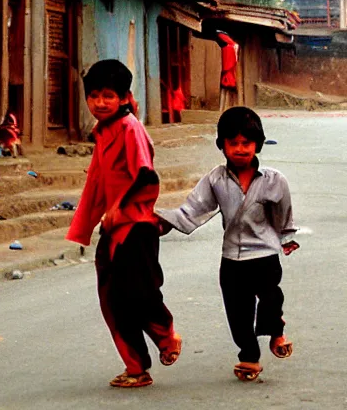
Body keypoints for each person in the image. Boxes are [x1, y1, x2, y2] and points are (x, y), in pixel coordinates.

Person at [158, 106, 300, 381]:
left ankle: (275, 332)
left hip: (265, 254)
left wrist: (286, 238)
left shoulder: (274, 180)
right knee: (238, 314)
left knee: (271, 298)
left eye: (246, 143)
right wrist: (161, 222)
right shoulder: (215, 179)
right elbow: (193, 209)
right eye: (232, 143)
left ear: (257, 145)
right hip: (232, 259)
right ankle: (249, 357)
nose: (240, 149)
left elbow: (284, 214)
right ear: (222, 146)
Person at [66, 59, 181, 388]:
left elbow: (146, 175)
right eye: (94, 96)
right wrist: (90, 223)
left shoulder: (131, 128)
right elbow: (98, 181)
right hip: (112, 229)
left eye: (108, 96)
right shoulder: (103, 132)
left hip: (137, 226)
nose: (100, 102)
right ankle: (135, 367)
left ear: (124, 97)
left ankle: (166, 335)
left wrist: (117, 206)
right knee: (111, 298)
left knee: (138, 293)